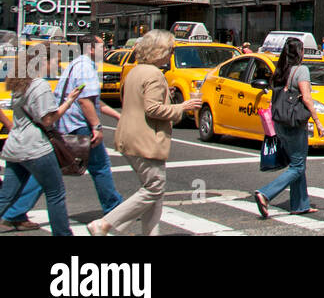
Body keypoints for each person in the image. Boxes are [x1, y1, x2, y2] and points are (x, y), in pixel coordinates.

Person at [89, 30, 203, 235]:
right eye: (170, 50)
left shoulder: (136, 71)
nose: (171, 54)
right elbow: (152, 109)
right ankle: (105, 223)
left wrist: (168, 97)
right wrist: (182, 107)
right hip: (146, 139)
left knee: (154, 192)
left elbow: (141, 103)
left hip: (128, 136)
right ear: (159, 51)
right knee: (154, 188)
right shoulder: (154, 74)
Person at [0, 47, 86, 237]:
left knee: (6, 195)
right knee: (55, 193)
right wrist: (69, 101)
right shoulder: (39, 86)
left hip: (15, 146)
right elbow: (48, 119)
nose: (57, 63)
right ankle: (63, 234)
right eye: (54, 60)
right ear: (42, 62)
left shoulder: (20, 85)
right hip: (35, 148)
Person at [254, 37, 324, 218]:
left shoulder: (280, 70)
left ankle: (300, 204)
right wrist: (317, 121)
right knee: (298, 166)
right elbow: (307, 98)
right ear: (300, 52)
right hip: (294, 122)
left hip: (280, 121)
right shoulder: (301, 70)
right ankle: (266, 193)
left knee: (296, 162)